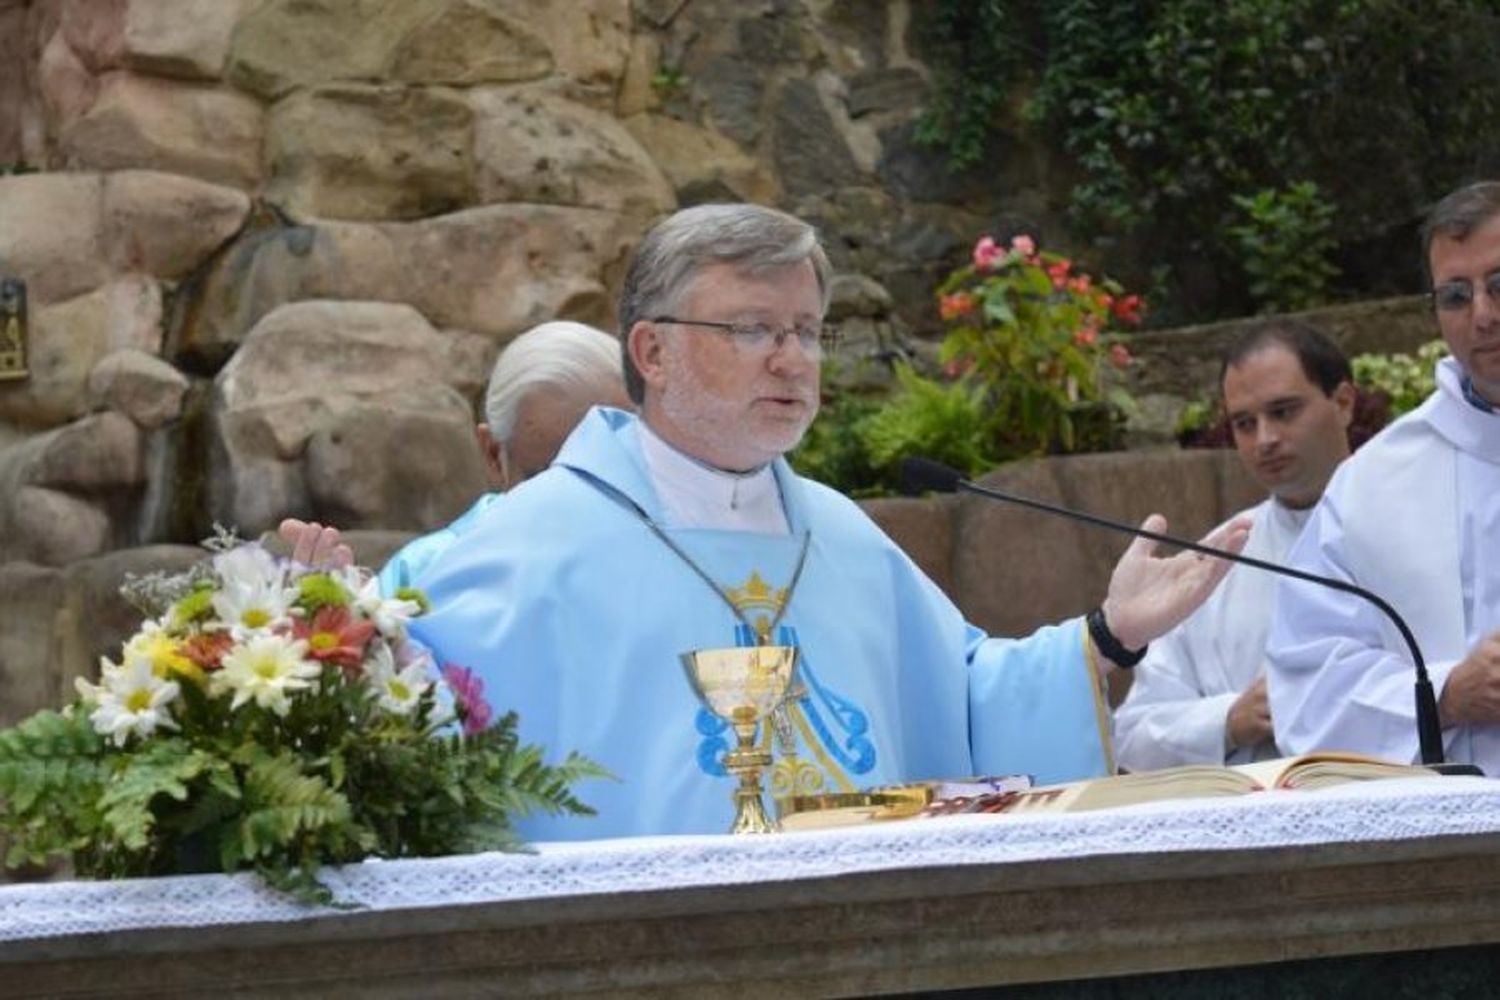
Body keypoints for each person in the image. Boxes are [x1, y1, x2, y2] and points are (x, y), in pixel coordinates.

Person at [403, 203, 1247, 840]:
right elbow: (415, 748)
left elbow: (965, 703)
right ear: (652, 353)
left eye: (807, 331)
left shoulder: (840, 535)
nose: (791, 358)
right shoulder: (523, 549)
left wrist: (1108, 635)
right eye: (751, 329)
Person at [1266, 180, 1500, 772]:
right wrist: (1443, 695)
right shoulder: (1372, 483)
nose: (1483, 316)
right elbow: (1307, 678)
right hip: (1449, 844)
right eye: (1454, 295)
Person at [1114, 322, 1354, 771]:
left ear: (1343, 403)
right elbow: (1132, 734)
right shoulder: (1217, 559)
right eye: (1245, 423)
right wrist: (1227, 720)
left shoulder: (1422, 516)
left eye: (1284, 412)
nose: (1264, 439)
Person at [279, 321, 630, 591]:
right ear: (493, 455)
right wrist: (335, 629)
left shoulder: (677, 561)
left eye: (604, 475)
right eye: (547, 482)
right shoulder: (423, 579)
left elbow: (688, 681)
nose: (580, 506)